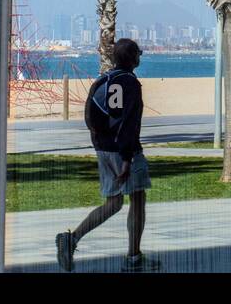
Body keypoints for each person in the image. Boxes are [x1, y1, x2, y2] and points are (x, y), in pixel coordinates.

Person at [57, 38, 158, 272]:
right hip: (122, 150)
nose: (140, 58)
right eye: (138, 55)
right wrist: (126, 158)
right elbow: (128, 124)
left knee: (114, 202)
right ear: (133, 59)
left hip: (102, 146)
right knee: (138, 198)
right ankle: (133, 258)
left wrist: (103, 146)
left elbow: (97, 116)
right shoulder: (131, 83)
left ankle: (72, 239)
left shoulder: (104, 79)